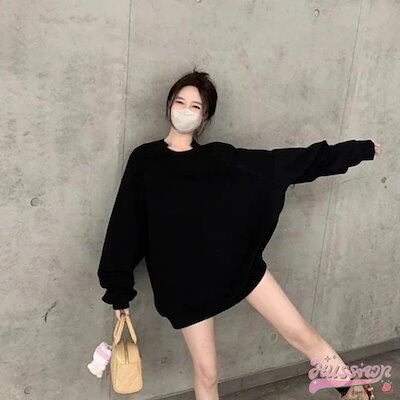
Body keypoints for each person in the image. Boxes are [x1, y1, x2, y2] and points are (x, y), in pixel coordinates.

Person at [97, 68, 381, 400]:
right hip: (184, 286)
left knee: (302, 335)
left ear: (204, 117)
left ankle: (354, 391)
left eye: (195, 106)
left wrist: (356, 151)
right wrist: (118, 291)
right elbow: (126, 225)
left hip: (236, 267)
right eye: (180, 102)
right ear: (169, 104)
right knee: (207, 372)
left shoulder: (218, 158)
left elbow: (283, 164)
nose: (185, 110)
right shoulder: (145, 160)